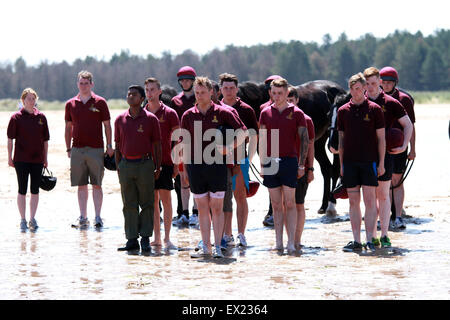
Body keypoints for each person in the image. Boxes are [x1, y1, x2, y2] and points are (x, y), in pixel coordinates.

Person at [180, 76, 247, 258]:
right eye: (197, 92)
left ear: (212, 93)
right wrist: (184, 170)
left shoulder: (224, 112)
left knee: (217, 208)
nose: (199, 96)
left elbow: (243, 132)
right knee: (202, 208)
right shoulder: (188, 115)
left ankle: (218, 246)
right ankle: (206, 247)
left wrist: (229, 148)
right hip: (195, 166)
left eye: (203, 92)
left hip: (217, 165)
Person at [364, 67, 412, 248]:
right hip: (365, 157)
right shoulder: (360, 101)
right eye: (367, 84)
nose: (371, 87)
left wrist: (404, 146)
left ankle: (385, 234)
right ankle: (370, 237)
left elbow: (408, 124)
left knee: (383, 195)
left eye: (375, 83)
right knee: (369, 198)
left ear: (380, 83)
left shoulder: (392, 103)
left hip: (386, 155)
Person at [259, 78, 309, 254]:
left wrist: (302, 165)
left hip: (290, 161)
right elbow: (263, 140)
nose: (277, 96)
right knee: (276, 204)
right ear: (271, 93)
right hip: (271, 162)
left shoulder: (296, 113)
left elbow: (304, 140)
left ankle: (291, 242)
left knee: (290, 203)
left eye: (280, 93)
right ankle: (278, 242)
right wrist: (262, 164)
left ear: (287, 93)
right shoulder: (265, 113)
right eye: (274, 93)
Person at [337, 73, 385, 252]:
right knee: (353, 202)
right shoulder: (343, 111)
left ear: (365, 88)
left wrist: (381, 163)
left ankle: (370, 238)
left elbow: (381, 138)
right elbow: (341, 140)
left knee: (370, 201)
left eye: (358, 88)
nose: (355, 92)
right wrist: (341, 164)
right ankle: (356, 240)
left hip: (369, 162)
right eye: (351, 89)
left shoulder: (374, 109)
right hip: (349, 162)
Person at [114, 85, 162, 252]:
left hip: (145, 165)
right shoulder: (120, 119)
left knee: (147, 203)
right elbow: (118, 144)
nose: (130, 96)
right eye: (129, 94)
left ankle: (146, 239)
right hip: (126, 165)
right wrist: (118, 165)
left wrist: (158, 166)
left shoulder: (150, 119)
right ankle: (131, 239)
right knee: (128, 203)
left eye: (134, 94)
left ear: (142, 99)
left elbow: (157, 144)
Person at [65, 71, 114, 228]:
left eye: (87, 83)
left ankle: (98, 217)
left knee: (97, 184)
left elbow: (107, 125)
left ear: (92, 84)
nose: (84, 85)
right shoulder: (70, 104)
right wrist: (68, 148)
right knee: (81, 185)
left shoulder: (100, 102)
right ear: (77, 84)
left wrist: (109, 146)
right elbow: (68, 128)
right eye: (81, 83)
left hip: (96, 149)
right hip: (77, 149)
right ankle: (83, 217)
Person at [219, 73, 259, 247]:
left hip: (240, 160)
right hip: (218, 161)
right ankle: (227, 234)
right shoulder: (215, 108)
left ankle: (241, 234)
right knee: (222, 198)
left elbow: (253, 136)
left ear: (237, 89)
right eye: (225, 88)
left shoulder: (247, 110)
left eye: (231, 88)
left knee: (240, 196)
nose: (228, 91)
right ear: (220, 89)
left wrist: (249, 159)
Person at [144, 77, 180, 249]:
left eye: (152, 90)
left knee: (166, 200)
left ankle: (167, 238)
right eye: (147, 90)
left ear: (159, 92)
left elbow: (178, 140)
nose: (149, 93)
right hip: (147, 164)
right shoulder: (142, 113)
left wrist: (176, 163)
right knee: (152, 202)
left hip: (165, 162)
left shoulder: (170, 113)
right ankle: (156, 237)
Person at [7, 88, 49, 231]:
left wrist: (46, 158)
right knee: (22, 189)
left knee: (35, 190)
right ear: (23, 100)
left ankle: (32, 219)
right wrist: (9, 157)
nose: (31, 101)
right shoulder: (16, 118)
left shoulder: (41, 117)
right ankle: (23, 220)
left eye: (33, 98)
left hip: (37, 159)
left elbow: (45, 140)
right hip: (21, 159)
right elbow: (10, 139)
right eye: (28, 99)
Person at [379, 66, 416, 229]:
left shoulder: (404, 99)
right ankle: (384, 215)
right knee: (381, 181)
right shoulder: (374, 97)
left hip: (399, 143)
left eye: (389, 83)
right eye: (383, 82)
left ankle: (398, 216)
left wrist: (412, 148)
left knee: (397, 180)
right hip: (380, 146)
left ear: (395, 83)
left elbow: (411, 126)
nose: (385, 86)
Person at [286, 86, 315, 250]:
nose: (290, 103)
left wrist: (310, 168)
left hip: (301, 167)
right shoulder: (278, 116)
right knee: (284, 205)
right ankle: (288, 238)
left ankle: (297, 240)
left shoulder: (307, 119)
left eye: (292, 100)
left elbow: (311, 145)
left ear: (297, 100)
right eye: (287, 100)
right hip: (282, 166)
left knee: (298, 203)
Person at [170, 66, 198, 227]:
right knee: (183, 178)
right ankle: (184, 213)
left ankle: (196, 212)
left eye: (188, 80)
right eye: (183, 80)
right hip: (181, 144)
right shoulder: (176, 101)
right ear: (180, 82)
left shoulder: (199, 97)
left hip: (199, 144)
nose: (186, 82)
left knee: (196, 177)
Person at [261, 75, 282, 227]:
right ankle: (271, 211)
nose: (272, 93)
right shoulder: (263, 109)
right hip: (270, 151)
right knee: (272, 187)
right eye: (270, 90)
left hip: (286, 152)